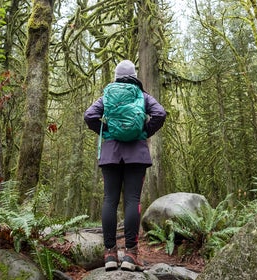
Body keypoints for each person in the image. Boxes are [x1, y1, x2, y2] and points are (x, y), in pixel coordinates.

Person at [84, 60, 166, 272]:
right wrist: (144, 132)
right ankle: (131, 254)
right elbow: (160, 113)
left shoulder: (108, 95)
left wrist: (107, 131)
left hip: (111, 153)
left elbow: (89, 115)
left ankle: (110, 254)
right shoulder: (142, 96)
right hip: (136, 154)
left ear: (117, 75)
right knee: (132, 201)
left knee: (109, 200)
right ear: (133, 75)